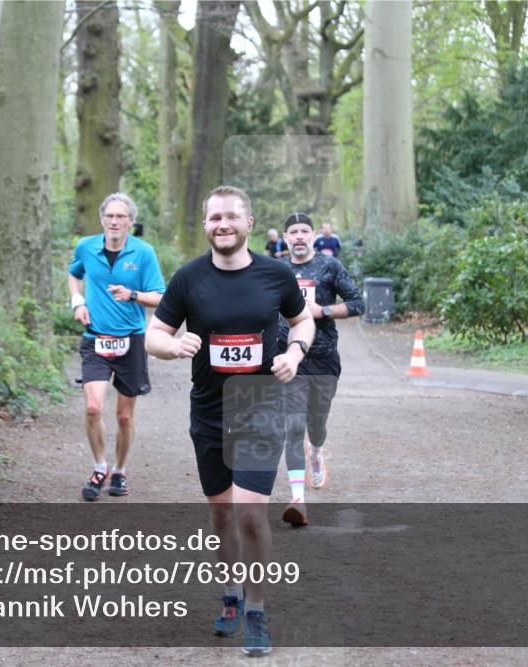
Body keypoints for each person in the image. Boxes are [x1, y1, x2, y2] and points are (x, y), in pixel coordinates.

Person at [146, 185, 315, 656]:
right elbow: (153, 334)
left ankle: (257, 611)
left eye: (232, 217)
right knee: (221, 512)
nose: (223, 224)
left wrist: (295, 351)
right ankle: (231, 596)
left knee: (249, 510)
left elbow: (303, 321)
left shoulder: (276, 275)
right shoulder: (188, 280)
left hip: (260, 406)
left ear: (249, 224)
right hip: (209, 412)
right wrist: (173, 346)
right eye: (214, 217)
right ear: (205, 224)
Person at [68, 193, 166, 501]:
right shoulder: (86, 246)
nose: (114, 221)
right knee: (93, 407)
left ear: (130, 222)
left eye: (121, 216)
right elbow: (74, 275)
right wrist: (77, 301)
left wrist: (133, 295)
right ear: (102, 220)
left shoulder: (144, 253)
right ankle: (100, 467)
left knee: (125, 416)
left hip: (131, 341)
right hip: (95, 338)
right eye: (109, 216)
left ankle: (120, 471)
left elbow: (160, 297)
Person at [279, 212, 364, 527]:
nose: (299, 237)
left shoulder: (330, 266)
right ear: (286, 237)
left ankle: (316, 450)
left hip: (324, 357)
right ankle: (297, 499)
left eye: (304, 231)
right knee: (293, 424)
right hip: (289, 357)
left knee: (316, 423)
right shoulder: (276, 269)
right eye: (293, 232)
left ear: (313, 235)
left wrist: (322, 311)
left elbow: (357, 303)